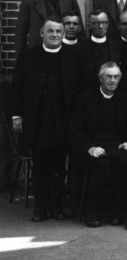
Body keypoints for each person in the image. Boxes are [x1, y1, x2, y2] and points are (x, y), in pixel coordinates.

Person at [10, 19, 87, 221]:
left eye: (58, 31)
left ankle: (56, 206)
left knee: (59, 165)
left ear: (63, 34)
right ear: (42, 33)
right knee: (41, 164)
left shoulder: (73, 56)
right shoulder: (29, 56)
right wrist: (16, 114)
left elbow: (81, 88)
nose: (55, 34)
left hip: (63, 119)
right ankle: (40, 208)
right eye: (50, 31)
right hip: (38, 119)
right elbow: (17, 86)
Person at [72, 62, 127, 228]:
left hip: (116, 145)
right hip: (93, 146)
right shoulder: (85, 98)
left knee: (126, 161)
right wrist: (90, 147)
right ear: (100, 78)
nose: (112, 80)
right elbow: (75, 130)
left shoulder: (125, 99)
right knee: (101, 164)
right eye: (109, 76)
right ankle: (92, 212)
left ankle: (115, 211)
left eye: (116, 77)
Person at [14, 0, 82, 56]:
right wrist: (20, 60)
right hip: (39, 53)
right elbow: (20, 35)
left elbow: (80, 29)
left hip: (66, 53)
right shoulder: (29, 3)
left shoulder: (70, 0)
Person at [82, 9, 122, 83]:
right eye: (96, 23)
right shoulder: (80, 47)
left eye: (104, 23)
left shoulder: (118, 46)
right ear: (89, 25)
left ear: (108, 24)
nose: (101, 26)